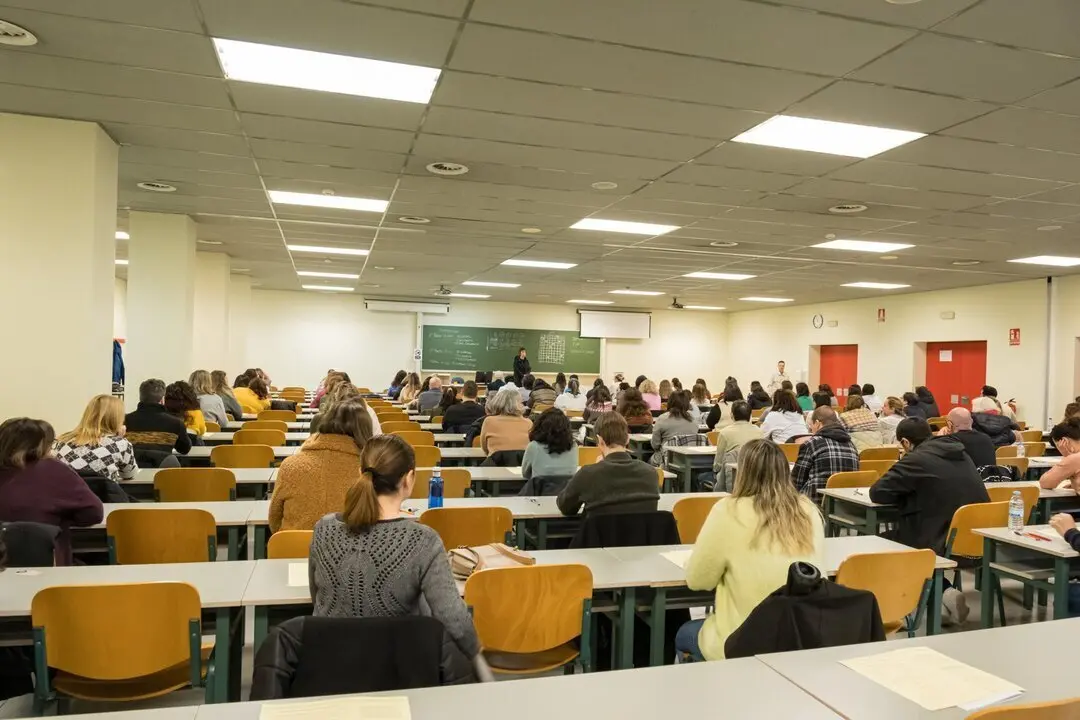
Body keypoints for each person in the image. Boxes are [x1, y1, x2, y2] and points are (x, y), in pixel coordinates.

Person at [308, 435, 480, 681]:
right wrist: (477, 653)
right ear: (409, 479)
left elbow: (317, 597)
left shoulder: (323, 528)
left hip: (327, 665)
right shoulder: (424, 540)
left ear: (361, 472)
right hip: (397, 669)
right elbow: (454, 620)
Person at [678, 439, 825, 661]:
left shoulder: (728, 511)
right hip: (799, 638)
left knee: (684, 633)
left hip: (741, 641)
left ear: (742, 472)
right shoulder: (808, 511)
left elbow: (699, 581)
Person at [869, 418, 989, 624]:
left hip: (938, 539)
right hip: (978, 539)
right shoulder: (961, 453)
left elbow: (878, 492)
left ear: (906, 443)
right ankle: (944, 593)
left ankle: (897, 606)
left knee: (879, 544)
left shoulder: (916, 459)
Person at [0, 418, 103, 565]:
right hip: (46, 567)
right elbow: (93, 513)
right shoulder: (54, 470)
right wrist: (63, 518)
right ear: (42, 445)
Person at [270, 401, 374, 532]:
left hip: (294, 550)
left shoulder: (289, 466)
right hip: (352, 550)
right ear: (365, 431)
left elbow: (274, 519)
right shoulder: (369, 471)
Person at [557, 412, 660, 516]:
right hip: (639, 532)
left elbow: (565, 507)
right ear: (627, 438)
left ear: (600, 440)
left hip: (599, 532)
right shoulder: (651, 473)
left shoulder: (588, 474)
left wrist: (593, 469)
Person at [53, 395, 138, 482]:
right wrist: (118, 439)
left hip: (66, 494)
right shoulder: (120, 444)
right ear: (116, 419)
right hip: (101, 495)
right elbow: (129, 474)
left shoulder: (62, 441)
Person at [790, 407, 859, 502]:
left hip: (813, 505)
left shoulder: (811, 444)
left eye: (811, 426)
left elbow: (796, 482)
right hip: (845, 505)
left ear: (817, 423)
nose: (811, 430)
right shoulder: (851, 446)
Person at [125, 379, 192, 455]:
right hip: (165, 465)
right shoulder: (176, 423)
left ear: (141, 397)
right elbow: (184, 449)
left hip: (132, 466)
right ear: (162, 400)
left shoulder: (125, 421)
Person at [712, 401, 764, 492]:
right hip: (756, 478)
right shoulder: (760, 432)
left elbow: (718, 464)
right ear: (750, 415)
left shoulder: (724, 433)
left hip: (731, 480)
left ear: (732, 415)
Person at [522, 409, 578, 481]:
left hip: (540, 490)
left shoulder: (533, 446)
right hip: (566, 491)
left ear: (539, 426)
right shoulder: (573, 446)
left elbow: (525, 474)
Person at [650, 391, 700, 465]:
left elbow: (655, 445)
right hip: (688, 461)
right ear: (687, 404)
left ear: (670, 402)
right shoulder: (693, 420)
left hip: (666, 460)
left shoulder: (662, 419)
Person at [480, 388, 531, 455]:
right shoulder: (528, 423)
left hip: (496, 463)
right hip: (521, 463)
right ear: (519, 404)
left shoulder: (489, 421)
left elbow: (484, 448)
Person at [1039, 418, 1080, 490]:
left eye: (1058, 446)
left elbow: (1045, 483)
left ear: (1064, 441)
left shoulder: (1074, 459)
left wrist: (1067, 457)